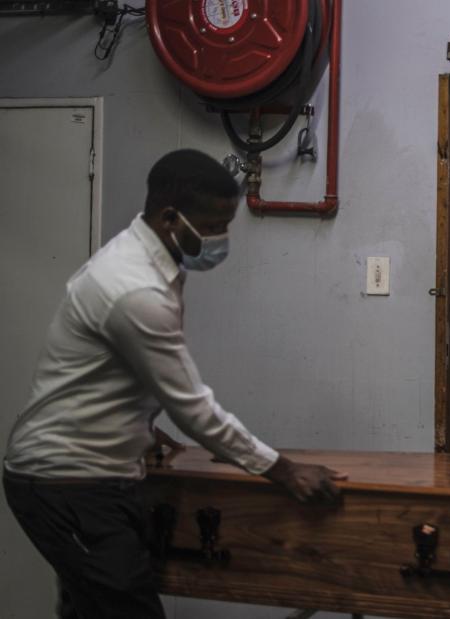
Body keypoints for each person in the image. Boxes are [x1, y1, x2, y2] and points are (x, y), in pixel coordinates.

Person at [3, 149, 345, 619]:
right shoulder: (134, 289)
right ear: (169, 218)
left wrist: (141, 426)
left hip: (94, 477)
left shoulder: (149, 261)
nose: (220, 238)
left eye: (227, 225)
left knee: (89, 609)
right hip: (66, 482)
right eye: (211, 226)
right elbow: (193, 409)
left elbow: (114, 373)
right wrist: (284, 471)